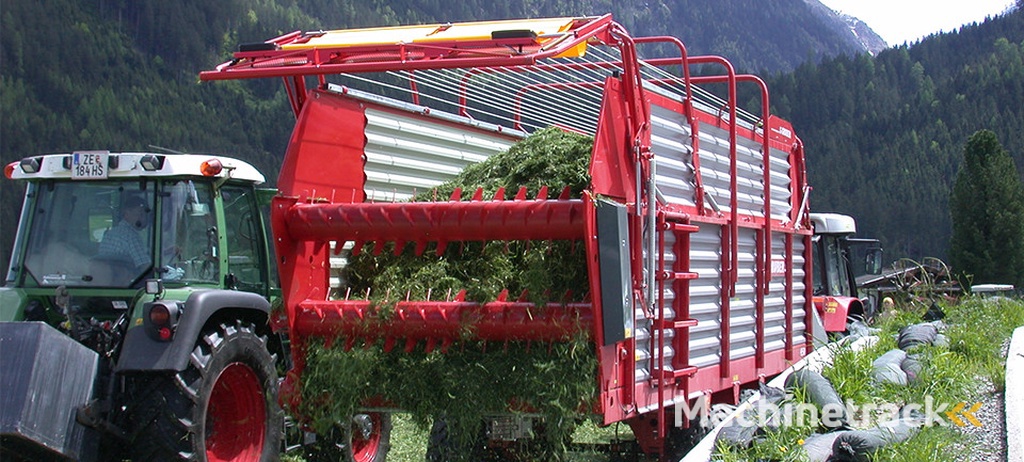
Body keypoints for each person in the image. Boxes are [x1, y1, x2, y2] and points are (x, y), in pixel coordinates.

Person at [97, 195, 152, 270]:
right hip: (123, 279)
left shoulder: (109, 234)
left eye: (145, 215)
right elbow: (145, 266)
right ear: (126, 214)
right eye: (140, 214)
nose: (144, 218)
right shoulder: (131, 236)